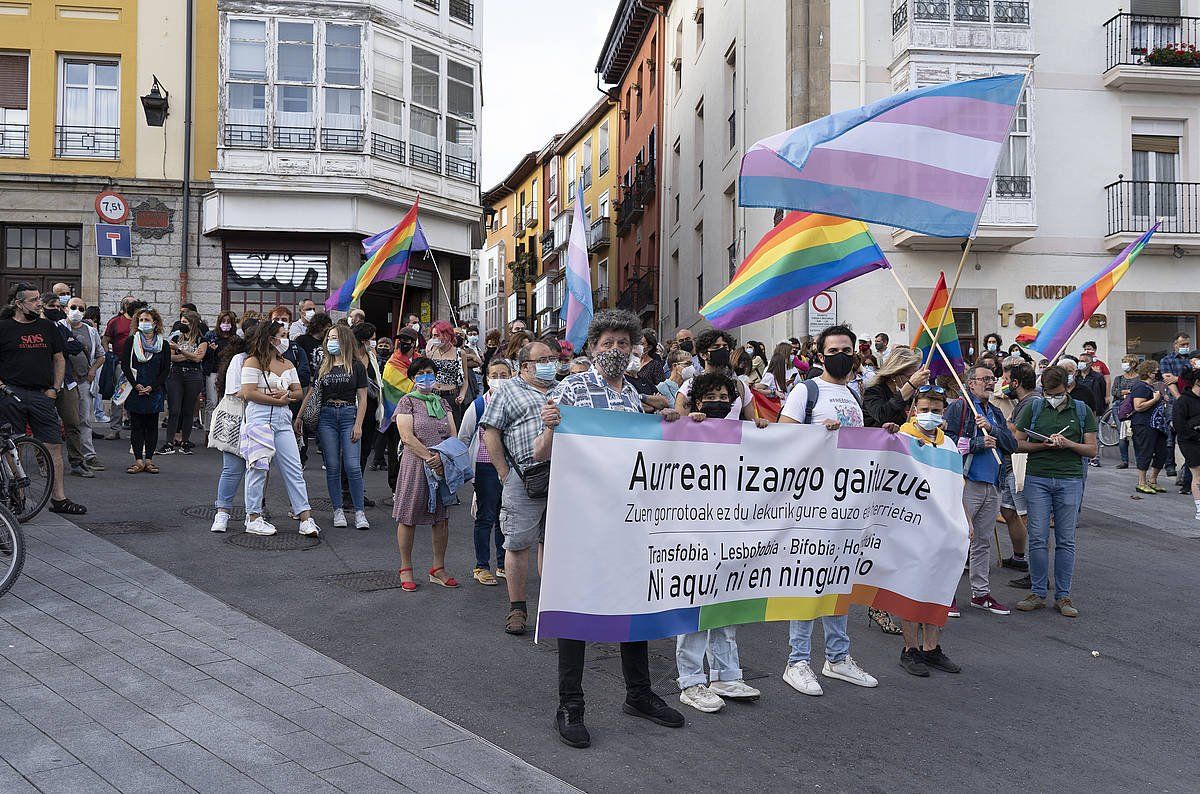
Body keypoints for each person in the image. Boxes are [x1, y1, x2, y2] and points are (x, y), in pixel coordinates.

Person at [536, 310, 685, 748]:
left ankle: (638, 694)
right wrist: (549, 429)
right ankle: (570, 705)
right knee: (576, 605)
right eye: (608, 343)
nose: (616, 350)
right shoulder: (571, 389)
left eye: (624, 343)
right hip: (581, 517)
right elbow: (543, 453)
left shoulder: (636, 398)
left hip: (627, 518)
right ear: (593, 347)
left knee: (631, 601)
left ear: (635, 348)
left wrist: (670, 428)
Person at [778, 324, 877, 696]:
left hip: (847, 504)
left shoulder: (853, 393)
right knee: (805, 580)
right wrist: (817, 434)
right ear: (820, 354)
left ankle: (837, 658)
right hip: (810, 505)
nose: (841, 354)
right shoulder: (806, 390)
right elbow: (782, 435)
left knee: (838, 580)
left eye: (847, 349)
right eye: (833, 349)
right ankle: (797, 661)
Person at [674, 371, 767, 712]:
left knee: (727, 602)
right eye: (709, 396)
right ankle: (691, 681)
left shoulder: (743, 435)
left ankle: (727, 674)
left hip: (732, 530)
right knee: (696, 605)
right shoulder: (685, 430)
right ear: (697, 402)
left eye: (723, 396)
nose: (717, 402)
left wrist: (764, 435)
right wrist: (688, 423)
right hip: (695, 533)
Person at [480, 340, 559, 633]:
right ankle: (517, 608)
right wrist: (504, 473)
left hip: (564, 478)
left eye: (552, 358)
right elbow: (491, 432)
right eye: (543, 359)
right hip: (524, 477)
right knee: (517, 543)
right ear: (525, 366)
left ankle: (550, 607)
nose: (550, 363)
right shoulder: (509, 390)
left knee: (551, 544)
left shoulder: (564, 389)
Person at [1012, 366, 1097, 618]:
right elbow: (1017, 443)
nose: (1051, 397)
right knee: (1037, 537)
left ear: (1068, 387)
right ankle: (1038, 592)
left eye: (1056, 392)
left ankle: (1063, 595)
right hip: (1038, 478)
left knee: (1066, 539)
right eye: (1047, 392)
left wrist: (1068, 443)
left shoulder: (1081, 410)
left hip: (1070, 479)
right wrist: (1043, 444)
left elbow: (1092, 450)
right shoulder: (1034, 407)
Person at [0, 285, 86, 514]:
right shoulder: (4, 327)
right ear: (19, 304)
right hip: (12, 394)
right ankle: (17, 498)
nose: (39, 303)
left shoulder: (47, 327)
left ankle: (59, 499)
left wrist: (54, 389)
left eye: (39, 299)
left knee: (54, 446)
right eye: (33, 300)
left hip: (42, 395)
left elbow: (59, 359)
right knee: (12, 448)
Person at [895, 385, 962, 676]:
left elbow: (956, 485)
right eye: (924, 410)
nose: (929, 415)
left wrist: (965, 519)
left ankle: (932, 648)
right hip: (911, 524)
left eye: (936, 411)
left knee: (939, 585)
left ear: (944, 412)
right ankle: (910, 649)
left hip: (943, 525)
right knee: (911, 585)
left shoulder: (948, 444)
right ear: (913, 411)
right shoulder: (901, 437)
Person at [944, 365, 1018, 616]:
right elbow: (946, 442)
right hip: (967, 483)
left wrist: (993, 429)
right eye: (984, 379)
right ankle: (946, 595)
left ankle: (980, 593)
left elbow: (1011, 444)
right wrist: (977, 443)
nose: (990, 383)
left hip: (993, 483)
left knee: (983, 542)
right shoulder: (960, 407)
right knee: (959, 540)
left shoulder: (995, 412)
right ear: (970, 383)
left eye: (992, 379)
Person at [241, 321, 320, 537]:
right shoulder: (253, 361)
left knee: (294, 468)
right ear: (270, 338)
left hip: (283, 421)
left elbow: (298, 392)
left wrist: (285, 398)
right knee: (258, 468)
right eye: (282, 335)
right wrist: (277, 399)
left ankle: (305, 517)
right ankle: (253, 516)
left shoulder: (288, 364)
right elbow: (247, 392)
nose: (285, 340)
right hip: (259, 419)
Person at [392, 357, 458, 591]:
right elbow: (407, 437)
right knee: (408, 515)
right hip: (416, 464)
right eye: (420, 374)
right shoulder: (407, 402)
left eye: (429, 373)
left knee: (441, 518)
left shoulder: (443, 403)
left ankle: (438, 568)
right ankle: (405, 567)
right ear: (412, 378)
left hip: (441, 464)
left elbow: (452, 433)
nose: (425, 377)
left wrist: (442, 458)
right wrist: (430, 458)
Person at [300, 323, 370, 530]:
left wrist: (359, 424)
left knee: (353, 466)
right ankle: (337, 510)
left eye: (335, 338)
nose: (331, 342)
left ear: (345, 341)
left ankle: (359, 512)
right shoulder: (323, 365)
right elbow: (313, 392)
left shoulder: (356, 366)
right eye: (329, 338)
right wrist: (300, 416)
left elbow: (363, 399)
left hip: (349, 414)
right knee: (332, 466)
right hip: (326, 416)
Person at [458, 358, 514, 585]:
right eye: (495, 375)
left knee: (506, 517)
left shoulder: (516, 403)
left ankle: (502, 564)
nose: (499, 380)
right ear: (487, 378)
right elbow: (463, 436)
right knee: (486, 517)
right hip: (485, 468)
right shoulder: (479, 405)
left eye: (504, 375)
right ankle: (481, 566)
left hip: (511, 468)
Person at [120, 308, 171, 475]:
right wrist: (135, 385)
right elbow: (125, 365)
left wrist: (153, 386)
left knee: (152, 426)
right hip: (135, 388)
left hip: (154, 390)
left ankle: (149, 460)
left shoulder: (163, 344)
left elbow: (165, 369)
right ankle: (138, 460)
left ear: (155, 323)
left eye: (147, 320)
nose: (144, 323)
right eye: (141, 320)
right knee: (137, 426)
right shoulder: (131, 341)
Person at [999, 363, 1037, 578]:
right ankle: (1019, 557)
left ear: (1015, 383)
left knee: (1026, 517)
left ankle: (1035, 569)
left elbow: (1016, 432)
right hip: (1010, 465)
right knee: (1008, 511)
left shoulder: (1031, 402)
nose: (1004, 385)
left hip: (1020, 466)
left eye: (1007, 380)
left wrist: (1003, 424)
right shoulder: (1023, 401)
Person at [210, 335, 249, 532]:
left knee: (259, 470)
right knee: (232, 468)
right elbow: (236, 391)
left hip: (259, 419)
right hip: (238, 419)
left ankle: (255, 512)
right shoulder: (239, 359)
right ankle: (222, 512)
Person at [673, 330, 756, 421]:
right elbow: (679, 424)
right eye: (716, 347)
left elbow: (752, 424)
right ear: (703, 355)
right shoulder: (689, 386)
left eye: (725, 347)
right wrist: (690, 418)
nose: (723, 350)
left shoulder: (740, 387)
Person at [158, 309, 208, 455]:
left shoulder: (201, 340)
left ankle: (185, 441)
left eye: (185, 322)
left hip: (193, 375)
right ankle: (169, 442)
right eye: (181, 322)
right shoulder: (176, 337)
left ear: (193, 324)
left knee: (188, 409)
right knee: (174, 410)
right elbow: (171, 357)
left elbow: (198, 358)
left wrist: (181, 351)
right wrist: (189, 356)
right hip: (176, 374)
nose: (182, 325)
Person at [64, 296, 104, 474]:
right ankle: (49, 458)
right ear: (66, 309)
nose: (77, 312)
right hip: (63, 382)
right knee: (59, 420)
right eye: (73, 307)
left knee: (84, 420)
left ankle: (89, 455)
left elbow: (101, 355)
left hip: (83, 381)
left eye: (81, 309)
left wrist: (93, 369)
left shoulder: (91, 331)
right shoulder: (58, 327)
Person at [863, 346, 930, 429]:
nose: (913, 380)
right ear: (894, 375)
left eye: (914, 376)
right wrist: (910, 385)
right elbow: (882, 416)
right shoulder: (873, 392)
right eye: (909, 376)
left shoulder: (911, 395)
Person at [1130, 359, 1169, 495]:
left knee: (1162, 452)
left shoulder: (1151, 387)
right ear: (1148, 373)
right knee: (1145, 452)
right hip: (1144, 425)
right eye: (1155, 372)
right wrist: (1155, 399)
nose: (1157, 374)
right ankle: (1141, 482)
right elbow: (1138, 407)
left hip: (1157, 425)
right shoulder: (1140, 386)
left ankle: (1153, 480)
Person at [1158, 333, 1192, 480]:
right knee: (1170, 435)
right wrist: (1179, 398)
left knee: (1189, 434)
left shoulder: (1193, 360)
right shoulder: (1167, 360)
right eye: (1182, 344)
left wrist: (1178, 378)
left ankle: (1187, 468)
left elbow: (1195, 379)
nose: (1185, 347)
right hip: (1174, 401)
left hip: (1192, 400)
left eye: (1187, 344)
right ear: (1175, 345)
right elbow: (1168, 381)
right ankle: (1170, 465)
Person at [1172, 367, 1200, 521]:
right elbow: (1179, 425)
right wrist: (1195, 435)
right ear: (1197, 382)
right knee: (1198, 473)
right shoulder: (1183, 400)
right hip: (1190, 441)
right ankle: (1199, 508)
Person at [1111, 355, 1139, 469]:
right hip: (1118, 407)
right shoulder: (1119, 378)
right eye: (1123, 362)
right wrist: (1128, 391)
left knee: (1136, 434)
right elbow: (1114, 392)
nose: (1124, 364)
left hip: (1133, 408)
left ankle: (1139, 460)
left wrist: (1123, 392)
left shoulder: (1139, 378)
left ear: (1133, 364)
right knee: (1121, 434)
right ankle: (1124, 461)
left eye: (1126, 362)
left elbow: (1138, 392)